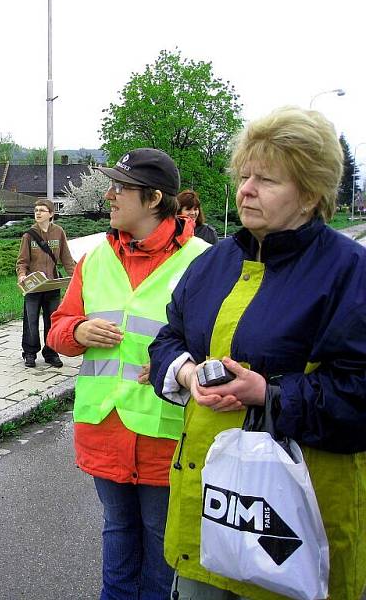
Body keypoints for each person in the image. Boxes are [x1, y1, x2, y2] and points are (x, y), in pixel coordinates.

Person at [148, 107, 366, 599]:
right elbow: (167, 339)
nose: (245, 189)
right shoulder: (216, 261)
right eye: (244, 175)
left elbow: (358, 394)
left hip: (295, 533)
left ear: (311, 193)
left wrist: (266, 393)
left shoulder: (349, 272)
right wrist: (185, 376)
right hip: (208, 513)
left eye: (266, 180)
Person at [47, 148, 209, 598]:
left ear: (154, 198)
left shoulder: (202, 260)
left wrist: (179, 363)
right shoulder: (96, 258)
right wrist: (78, 329)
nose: (110, 195)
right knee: (118, 534)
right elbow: (57, 333)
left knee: (161, 546)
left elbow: (224, 348)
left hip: (166, 433)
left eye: (121, 187)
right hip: (104, 427)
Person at [16, 198, 76, 368]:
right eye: (36, 210)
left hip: (52, 284)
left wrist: (75, 279)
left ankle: (51, 352)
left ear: (51, 214)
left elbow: (67, 259)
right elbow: (22, 262)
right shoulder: (29, 235)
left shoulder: (59, 232)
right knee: (31, 321)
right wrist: (22, 275)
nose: (38, 213)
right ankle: (29, 353)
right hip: (33, 286)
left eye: (42, 210)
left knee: (53, 320)